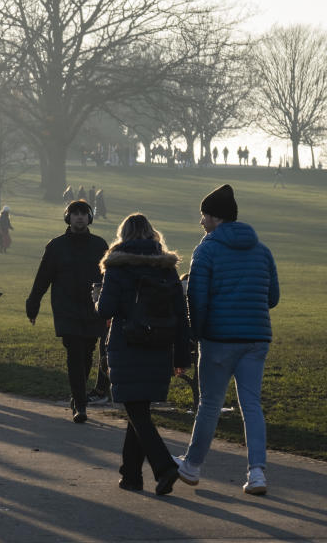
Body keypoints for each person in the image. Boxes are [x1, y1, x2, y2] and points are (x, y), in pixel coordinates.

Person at [174, 184, 279, 495]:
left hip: (219, 338)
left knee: (209, 404)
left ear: (215, 218)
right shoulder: (262, 250)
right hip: (256, 337)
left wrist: (196, 333)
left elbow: (196, 299)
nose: (201, 221)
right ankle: (257, 472)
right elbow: (272, 297)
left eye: (204, 215)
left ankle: (192, 466)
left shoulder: (206, 250)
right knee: (251, 405)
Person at [94, 213, 190, 495]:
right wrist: (181, 356)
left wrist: (96, 298)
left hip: (128, 346)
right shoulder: (166, 268)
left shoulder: (117, 265)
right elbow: (181, 315)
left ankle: (164, 466)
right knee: (138, 410)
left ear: (123, 235)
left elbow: (106, 310)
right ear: (152, 234)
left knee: (137, 411)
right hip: (160, 347)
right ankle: (131, 475)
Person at [26, 200, 108, 422]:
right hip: (66, 308)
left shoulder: (100, 245)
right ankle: (80, 405)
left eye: (83, 214)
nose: (79, 217)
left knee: (87, 353)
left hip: (93, 309)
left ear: (89, 218)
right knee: (74, 352)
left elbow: (109, 278)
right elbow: (43, 278)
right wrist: (32, 304)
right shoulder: (56, 247)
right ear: (68, 218)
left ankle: (77, 394)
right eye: (75, 214)